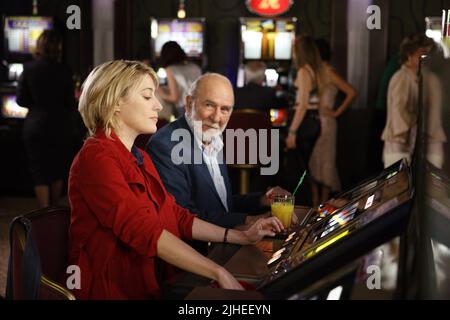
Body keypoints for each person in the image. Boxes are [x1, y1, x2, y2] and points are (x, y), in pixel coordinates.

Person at [68, 60, 283, 300]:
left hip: (146, 282)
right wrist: (217, 271)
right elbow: (144, 231)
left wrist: (241, 235)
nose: (159, 105)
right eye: (148, 97)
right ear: (116, 102)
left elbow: (176, 216)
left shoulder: (137, 156)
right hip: (112, 288)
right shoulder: (96, 157)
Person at [147, 73, 291, 231]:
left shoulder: (213, 138)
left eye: (225, 109)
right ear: (189, 104)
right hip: (197, 250)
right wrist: (250, 220)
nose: (216, 117)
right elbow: (183, 217)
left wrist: (261, 200)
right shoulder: (166, 145)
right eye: (209, 105)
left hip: (222, 240)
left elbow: (220, 205)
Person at [16, 30, 76, 208]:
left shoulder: (28, 68)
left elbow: (21, 100)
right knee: (57, 169)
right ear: (58, 48)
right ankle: (55, 208)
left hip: (35, 125)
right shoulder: (65, 70)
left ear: (39, 46)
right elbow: (70, 103)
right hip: (60, 125)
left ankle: (43, 212)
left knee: (38, 169)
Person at [381, 35, 446, 168]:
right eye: (422, 53)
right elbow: (399, 111)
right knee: (399, 183)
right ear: (409, 55)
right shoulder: (401, 78)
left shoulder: (429, 78)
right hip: (401, 141)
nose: (426, 57)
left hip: (426, 140)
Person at [309, 39, 357, 205]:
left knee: (326, 162)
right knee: (314, 161)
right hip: (314, 121)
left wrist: (336, 112)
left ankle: (323, 203)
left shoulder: (328, 72)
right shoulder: (313, 72)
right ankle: (315, 202)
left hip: (327, 122)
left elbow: (351, 92)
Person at [157, 41, 202, 117]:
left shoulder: (170, 69)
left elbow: (174, 98)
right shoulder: (195, 67)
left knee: (184, 129)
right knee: (198, 128)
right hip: (200, 107)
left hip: (184, 109)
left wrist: (160, 92)